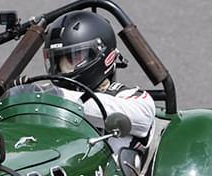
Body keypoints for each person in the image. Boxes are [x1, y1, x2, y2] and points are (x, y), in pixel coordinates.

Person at [36, 11, 156, 165]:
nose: (63, 70)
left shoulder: (135, 100)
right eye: (57, 61)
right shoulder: (49, 96)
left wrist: (57, 98)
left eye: (74, 58)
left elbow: (141, 118)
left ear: (104, 56)